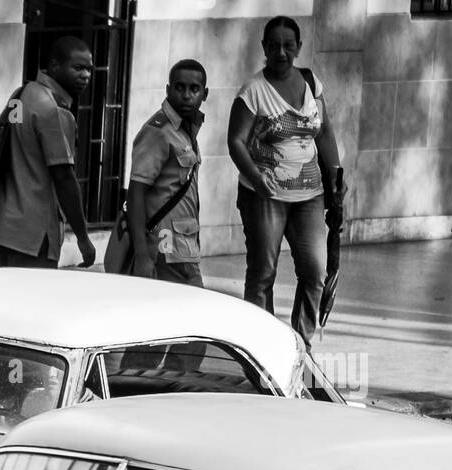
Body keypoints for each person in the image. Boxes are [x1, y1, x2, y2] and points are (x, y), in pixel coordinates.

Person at [227, 14, 346, 350]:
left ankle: (301, 345)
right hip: (264, 197)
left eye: (288, 45)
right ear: (264, 47)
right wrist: (256, 177)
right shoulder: (252, 91)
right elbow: (235, 141)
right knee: (263, 273)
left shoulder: (311, 83)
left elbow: (324, 131)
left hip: (310, 197)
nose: (281, 52)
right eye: (274, 45)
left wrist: (335, 174)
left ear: (298, 48)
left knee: (314, 272)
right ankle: (260, 347)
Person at [0, 36, 95, 270]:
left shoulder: (22, 94)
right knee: (31, 300)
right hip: (34, 233)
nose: (85, 75)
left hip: (6, 223)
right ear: (54, 66)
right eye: (77, 68)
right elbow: (63, 177)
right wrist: (83, 237)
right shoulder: (55, 111)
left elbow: (7, 138)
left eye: (89, 69)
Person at [129, 60, 208, 285]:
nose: (186, 95)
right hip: (164, 246)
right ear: (168, 89)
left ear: (205, 94)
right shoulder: (158, 131)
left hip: (185, 245)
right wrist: (142, 255)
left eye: (194, 89)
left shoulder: (187, 128)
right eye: (179, 87)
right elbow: (136, 192)